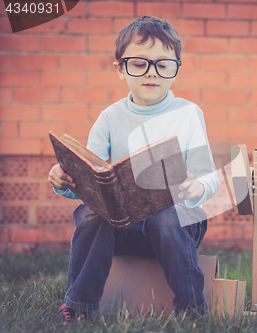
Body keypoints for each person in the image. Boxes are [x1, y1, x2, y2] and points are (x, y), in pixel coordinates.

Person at [48, 16, 220, 325]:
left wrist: (198, 186)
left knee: (166, 215)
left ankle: (192, 310)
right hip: (124, 227)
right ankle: (79, 307)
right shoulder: (109, 118)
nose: (152, 72)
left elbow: (209, 176)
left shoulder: (188, 114)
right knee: (91, 212)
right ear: (119, 68)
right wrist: (65, 181)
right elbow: (92, 177)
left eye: (163, 64)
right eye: (139, 63)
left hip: (175, 228)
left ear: (177, 67)